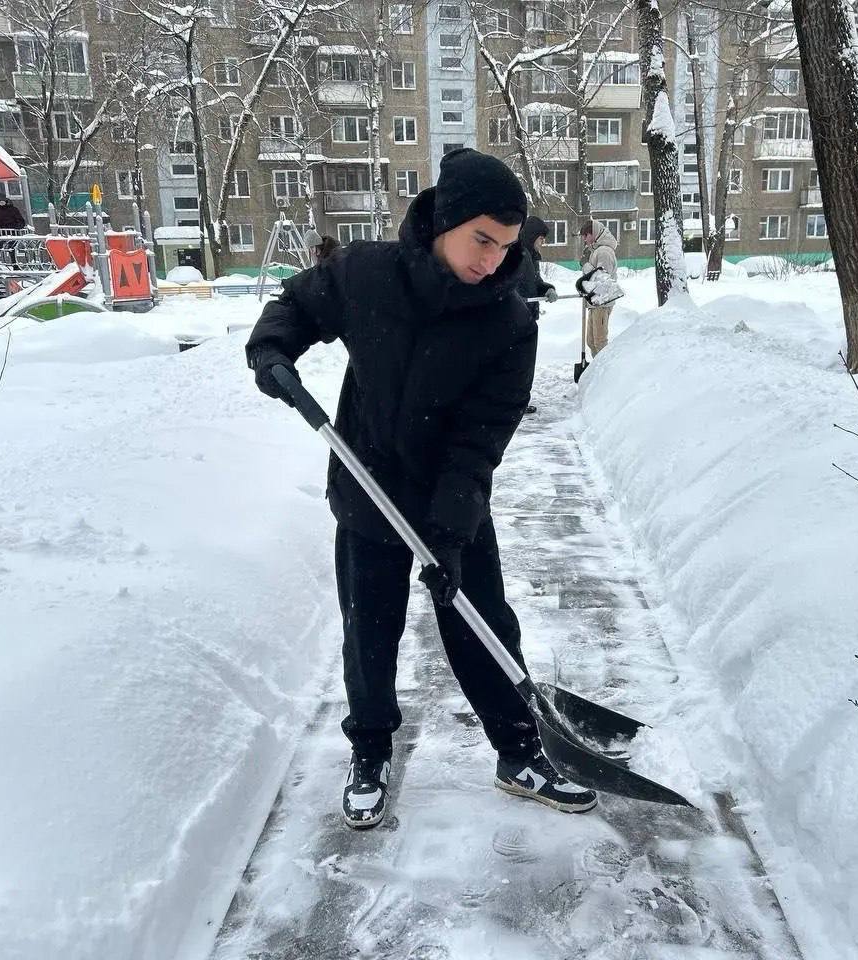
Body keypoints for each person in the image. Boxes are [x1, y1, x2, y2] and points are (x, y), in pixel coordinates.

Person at [246, 148, 598, 830]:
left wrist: (452, 520)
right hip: (367, 489)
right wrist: (273, 346)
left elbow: (483, 433)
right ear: (447, 219)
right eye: (482, 240)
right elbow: (297, 303)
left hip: (450, 498)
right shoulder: (366, 274)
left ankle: (520, 750)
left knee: (480, 621)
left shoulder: (508, 319)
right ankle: (370, 751)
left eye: (505, 245)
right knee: (369, 633)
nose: (493, 259)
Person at [516, 217, 558, 416]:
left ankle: (520, 400)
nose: (542, 243)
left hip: (528, 317)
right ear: (532, 236)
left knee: (525, 364)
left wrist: (548, 289)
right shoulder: (516, 254)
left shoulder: (532, 256)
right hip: (515, 319)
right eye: (541, 239)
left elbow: (536, 282)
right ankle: (515, 402)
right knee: (518, 365)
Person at [579, 220, 618, 357]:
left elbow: (602, 278)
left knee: (600, 342)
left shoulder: (604, 252)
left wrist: (586, 265)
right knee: (591, 341)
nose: (584, 239)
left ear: (593, 234)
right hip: (595, 301)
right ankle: (596, 371)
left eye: (585, 235)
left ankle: (604, 373)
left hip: (603, 301)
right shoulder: (596, 250)